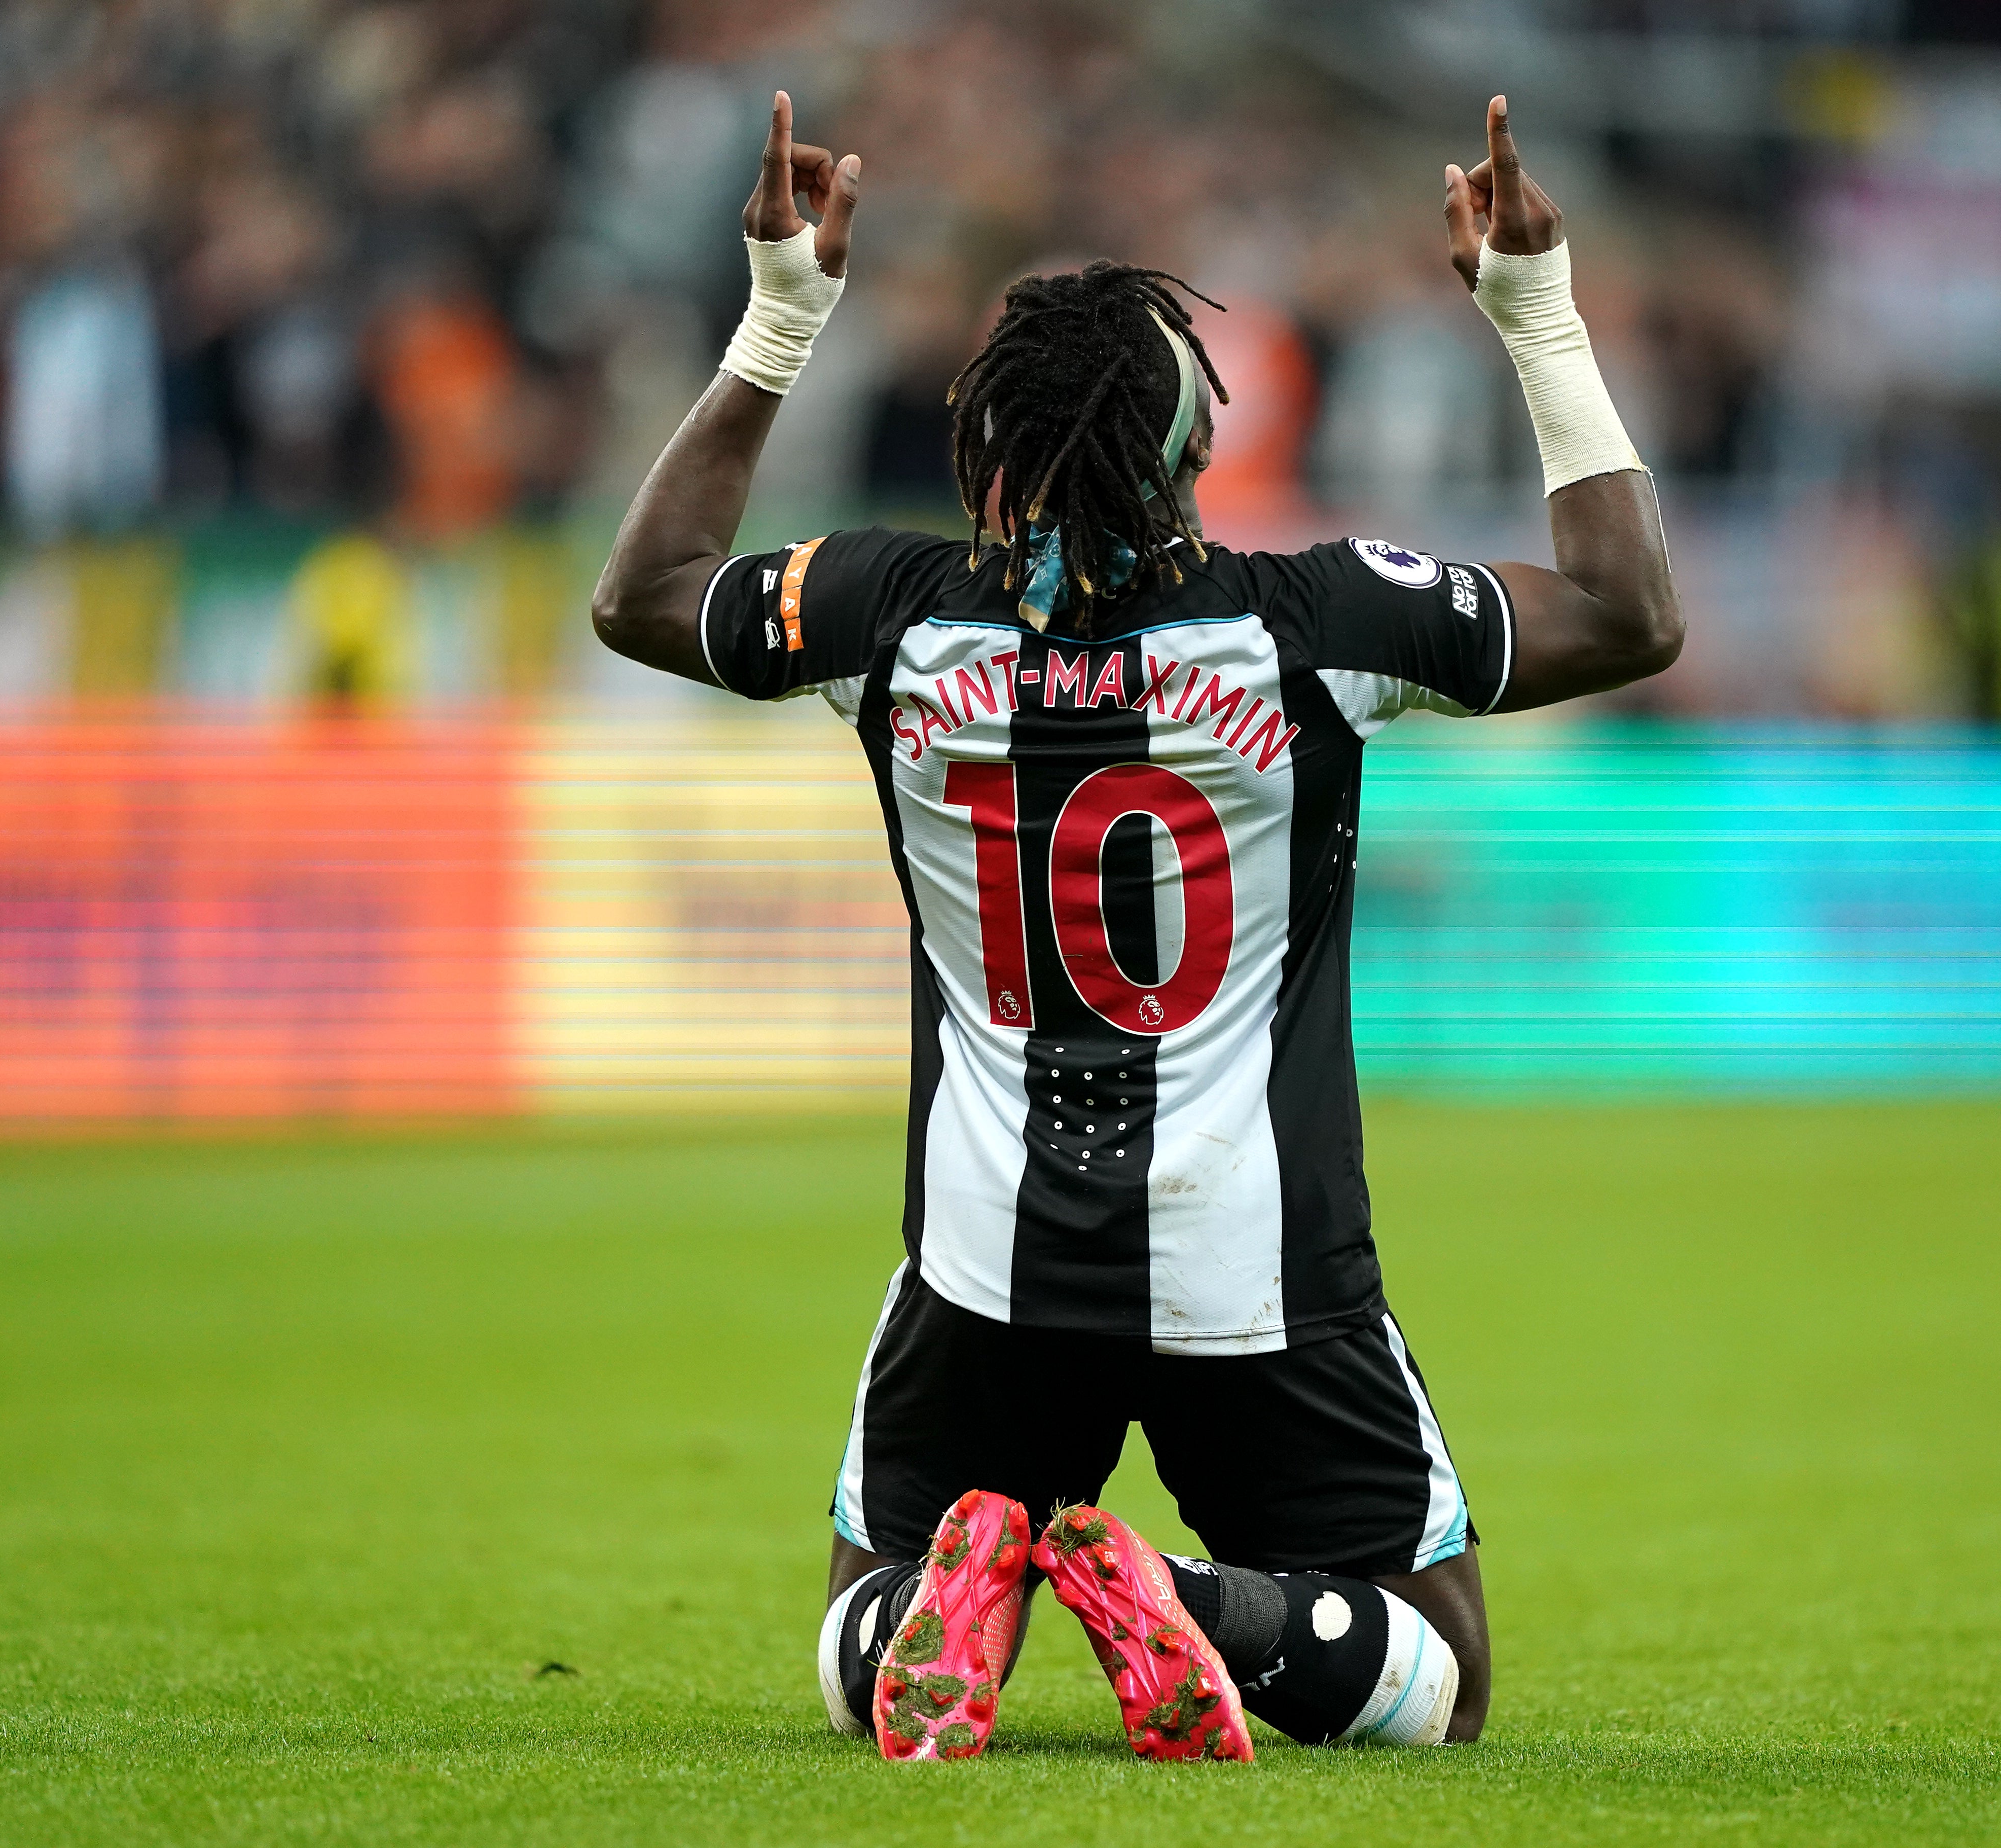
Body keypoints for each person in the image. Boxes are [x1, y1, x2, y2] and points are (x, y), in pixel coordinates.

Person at [592, 89, 1679, 1761]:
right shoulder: (1313, 627)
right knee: (1440, 1672)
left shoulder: (891, 620)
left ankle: (950, 1601)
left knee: (857, 1608)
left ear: (987, 452)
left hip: (986, 1260)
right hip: (1261, 1261)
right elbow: (1628, 614)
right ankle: (1200, 1598)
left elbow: (646, 596)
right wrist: (1534, 307)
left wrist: (781, 313)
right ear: (1194, 448)